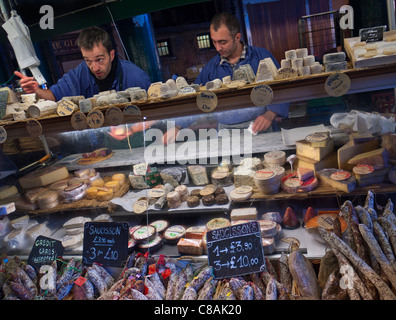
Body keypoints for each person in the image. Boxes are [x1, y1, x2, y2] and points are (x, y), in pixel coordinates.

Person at [163, 12, 289, 144]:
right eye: (214, 42)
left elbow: (281, 89)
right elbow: (196, 99)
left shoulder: (261, 57)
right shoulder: (211, 68)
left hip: (259, 127)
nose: (218, 48)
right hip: (226, 133)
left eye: (222, 42)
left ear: (237, 37)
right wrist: (177, 125)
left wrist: (271, 114)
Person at [14, 26, 151, 101]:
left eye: (99, 59)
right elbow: (54, 96)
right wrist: (36, 90)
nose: (94, 67)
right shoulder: (80, 73)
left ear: (112, 55)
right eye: (88, 60)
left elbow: (152, 116)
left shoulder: (135, 77)